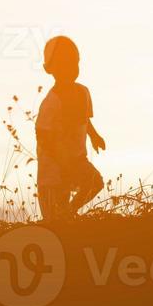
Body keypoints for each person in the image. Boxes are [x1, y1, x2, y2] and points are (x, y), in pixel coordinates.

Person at [36, 36, 105, 222]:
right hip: (53, 170)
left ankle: (69, 212)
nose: (69, 69)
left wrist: (95, 136)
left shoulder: (83, 92)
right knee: (54, 222)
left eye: (73, 63)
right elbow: (43, 136)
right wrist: (61, 163)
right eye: (62, 65)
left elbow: (84, 119)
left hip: (75, 159)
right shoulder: (51, 103)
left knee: (95, 183)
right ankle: (64, 215)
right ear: (49, 69)